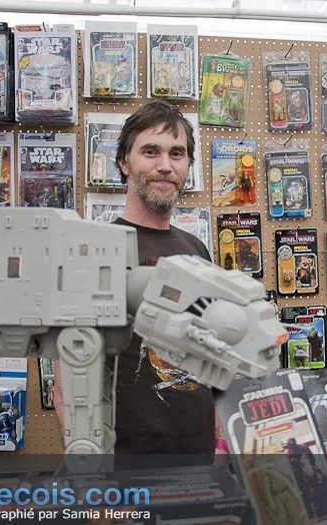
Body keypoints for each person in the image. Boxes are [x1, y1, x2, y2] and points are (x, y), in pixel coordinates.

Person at [57, 101, 220, 457]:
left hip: (200, 461)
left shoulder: (196, 248)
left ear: (187, 165)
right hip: (127, 466)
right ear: (123, 162)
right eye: (150, 151)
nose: (165, 165)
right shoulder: (94, 251)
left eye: (176, 153)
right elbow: (66, 384)